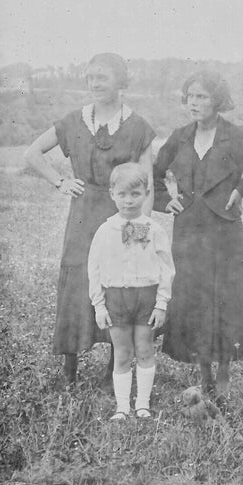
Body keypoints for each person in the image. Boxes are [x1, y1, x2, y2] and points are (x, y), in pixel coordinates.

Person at [153, 69, 243, 400]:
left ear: (218, 101)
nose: (194, 103)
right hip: (187, 232)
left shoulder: (236, 134)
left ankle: (224, 380)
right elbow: (153, 175)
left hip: (225, 231)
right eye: (191, 96)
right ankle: (203, 378)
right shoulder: (180, 136)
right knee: (193, 300)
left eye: (203, 96)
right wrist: (164, 201)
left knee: (225, 302)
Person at [24, 53, 156, 386]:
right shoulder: (73, 121)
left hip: (121, 216)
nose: (95, 84)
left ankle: (117, 371)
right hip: (82, 216)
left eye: (103, 77)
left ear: (120, 81)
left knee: (120, 287)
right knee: (77, 285)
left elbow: (148, 184)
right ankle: (69, 372)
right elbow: (32, 153)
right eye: (91, 77)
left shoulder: (138, 127)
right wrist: (61, 181)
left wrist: (140, 228)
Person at [88, 163, 175, 420]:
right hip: (116, 298)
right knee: (123, 352)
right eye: (123, 194)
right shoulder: (105, 231)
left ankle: (143, 404)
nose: (129, 201)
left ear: (147, 194)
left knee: (145, 349)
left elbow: (166, 268)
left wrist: (161, 303)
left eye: (135, 194)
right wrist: (99, 306)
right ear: (112, 194)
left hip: (145, 297)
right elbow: (94, 269)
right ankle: (123, 407)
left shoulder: (153, 229)